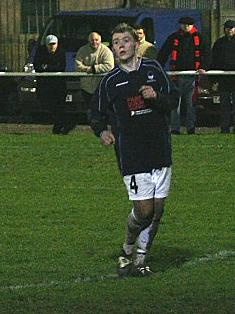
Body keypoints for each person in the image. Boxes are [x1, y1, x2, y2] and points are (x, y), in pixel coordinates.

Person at [90, 24, 178, 277]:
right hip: (131, 152)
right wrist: (102, 131)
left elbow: (174, 99)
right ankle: (127, 248)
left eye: (125, 40)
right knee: (144, 211)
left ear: (135, 44)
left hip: (159, 148)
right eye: (116, 42)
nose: (121, 45)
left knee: (157, 211)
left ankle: (140, 260)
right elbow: (95, 111)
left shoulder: (153, 69)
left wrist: (156, 97)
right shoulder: (111, 81)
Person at [157, 16, 210, 135]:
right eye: (184, 24)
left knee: (191, 103)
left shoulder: (199, 38)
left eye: (188, 24)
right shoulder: (173, 37)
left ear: (192, 25)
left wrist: (203, 67)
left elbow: (207, 53)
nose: (186, 26)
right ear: (180, 25)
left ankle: (191, 128)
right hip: (176, 76)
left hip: (192, 76)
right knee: (176, 103)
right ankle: (175, 128)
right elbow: (164, 53)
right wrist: (159, 67)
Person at [34, 34, 72, 134]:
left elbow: (60, 67)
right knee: (49, 106)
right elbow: (37, 66)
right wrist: (49, 67)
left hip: (58, 86)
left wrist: (46, 67)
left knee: (59, 106)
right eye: (50, 44)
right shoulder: (40, 52)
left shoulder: (61, 52)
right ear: (46, 45)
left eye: (54, 44)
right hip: (44, 86)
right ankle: (63, 124)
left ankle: (59, 126)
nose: (52, 46)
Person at [74, 31, 114, 113]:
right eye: (92, 40)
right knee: (89, 111)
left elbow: (109, 66)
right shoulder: (82, 50)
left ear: (100, 40)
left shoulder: (106, 51)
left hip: (101, 87)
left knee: (102, 111)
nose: (94, 42)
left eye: (96, 40)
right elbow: (78, 66)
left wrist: (94, 69)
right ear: (89, 40)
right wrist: (87, 69)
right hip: (86, 88)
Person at [211, 19, 235, 133]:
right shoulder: (219, 43)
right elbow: (214, 60)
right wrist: (214, 79)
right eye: (227, 28)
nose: (229, 30)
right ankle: (224, 127)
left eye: (231, 28)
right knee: (224, 104)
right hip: (224, 79)